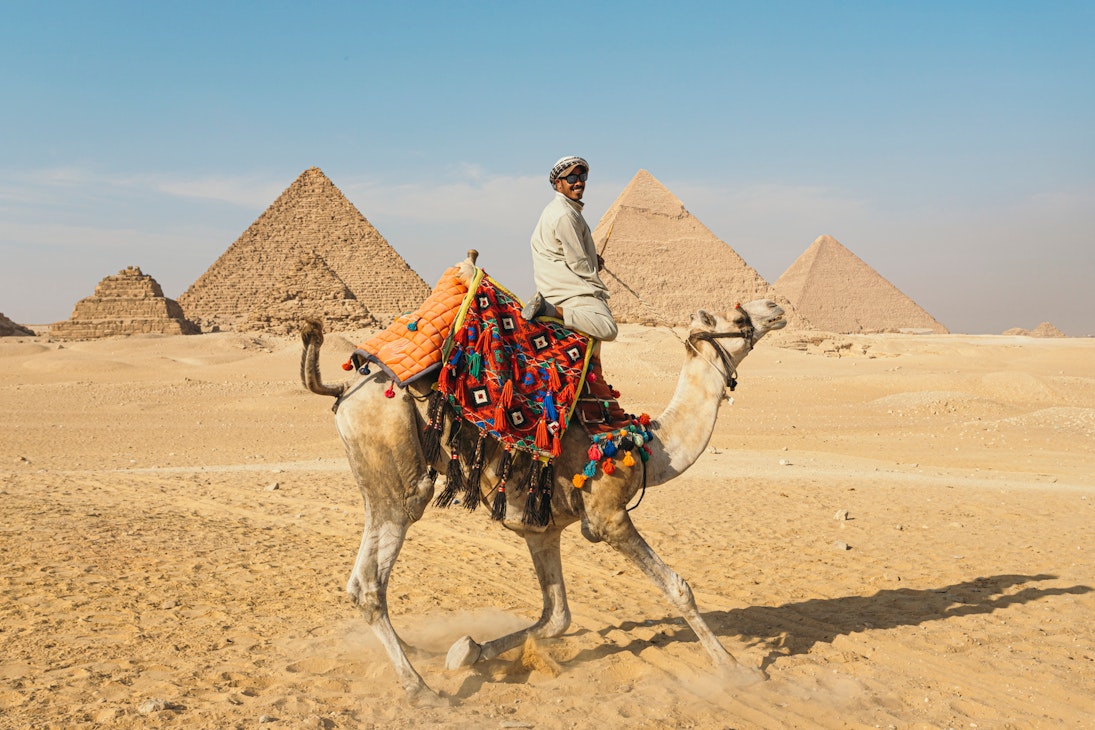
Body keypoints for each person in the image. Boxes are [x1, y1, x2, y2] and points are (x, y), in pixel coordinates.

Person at [522, 156, 618, 342]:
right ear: (558, 184)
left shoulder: (565, 210)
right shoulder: (565, 214)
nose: (579, 182)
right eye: (571, 179)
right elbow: (579, 264)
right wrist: (598, 288)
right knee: (608, 328)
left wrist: (593, 259)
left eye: (582, 177)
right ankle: (551, 310)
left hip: (562, 285)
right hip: (568, 291)